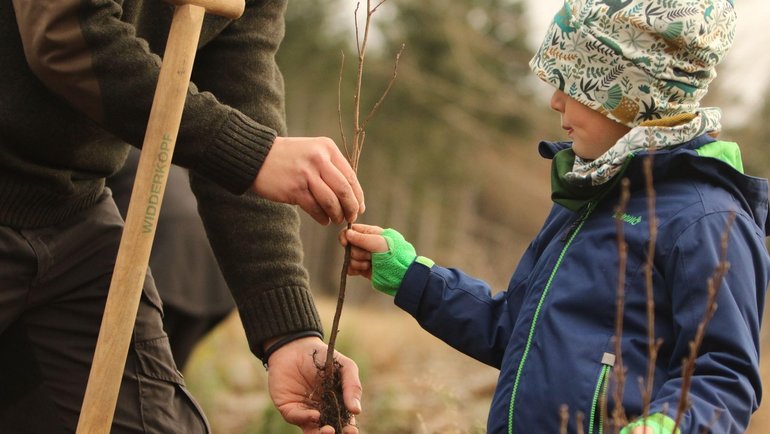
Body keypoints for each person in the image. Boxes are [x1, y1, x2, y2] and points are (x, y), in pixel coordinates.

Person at [340, 1, 769, 433]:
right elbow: (514, 331)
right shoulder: (587, 199)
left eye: (574, 84)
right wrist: (413, 277)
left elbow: (724, 376)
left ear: (632, 95)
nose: (555, 100)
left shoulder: (708, 221)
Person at [0, 1, 362, 433]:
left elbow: (241, 93)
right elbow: (67, 33)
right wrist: (252, 153)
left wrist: (290, 333)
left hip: (70, 210)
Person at [107, 148, 235, 370]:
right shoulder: (156, 150)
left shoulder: (105, 152)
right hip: (214, 274)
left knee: (132, 373)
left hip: (167, 264)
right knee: (166, 375)